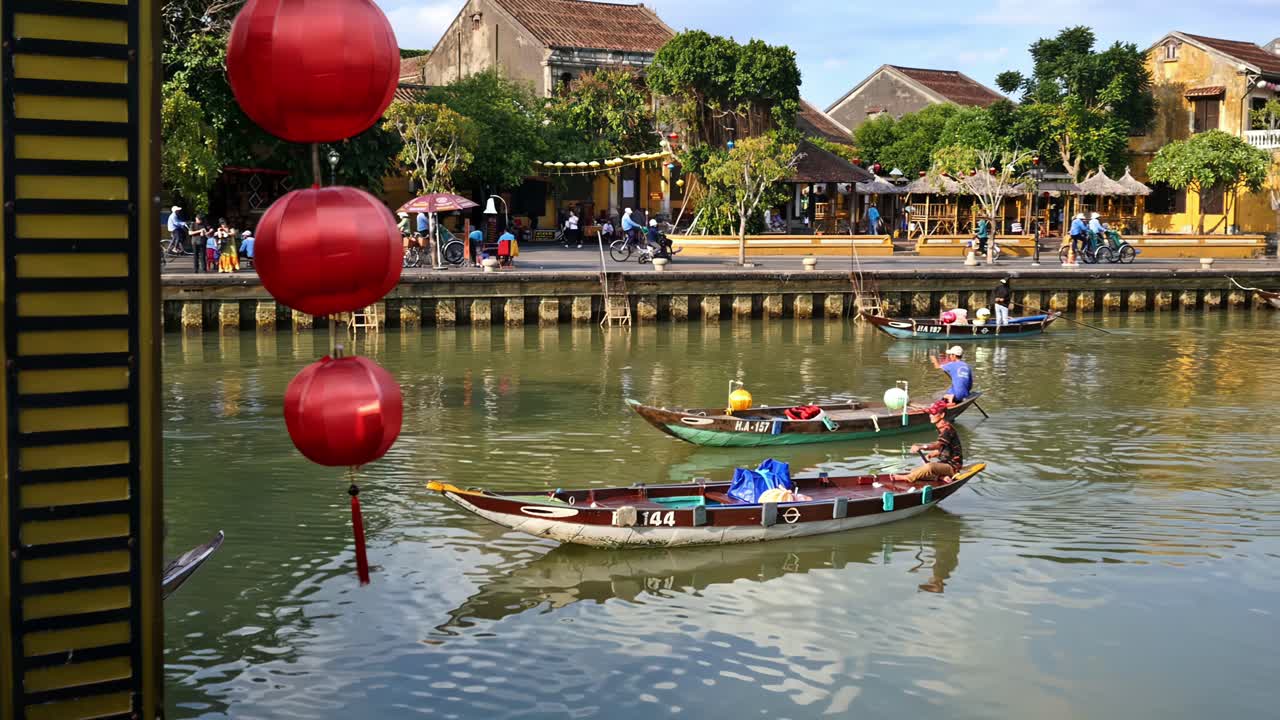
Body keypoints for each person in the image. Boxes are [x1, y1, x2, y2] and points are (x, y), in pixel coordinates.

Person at [891, 401, 963, 484]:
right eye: (930, 413)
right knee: (915, 470)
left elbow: (938, 445)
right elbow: (944, 448)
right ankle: (941, 477)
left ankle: (908, 478)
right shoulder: (941, 428)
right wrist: (931, 454)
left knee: (929, 467)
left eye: (933, 413)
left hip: (953, 466)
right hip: (944, 463)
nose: (930, 416)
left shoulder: (947, 429)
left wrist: (922, 446)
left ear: (942, 415)